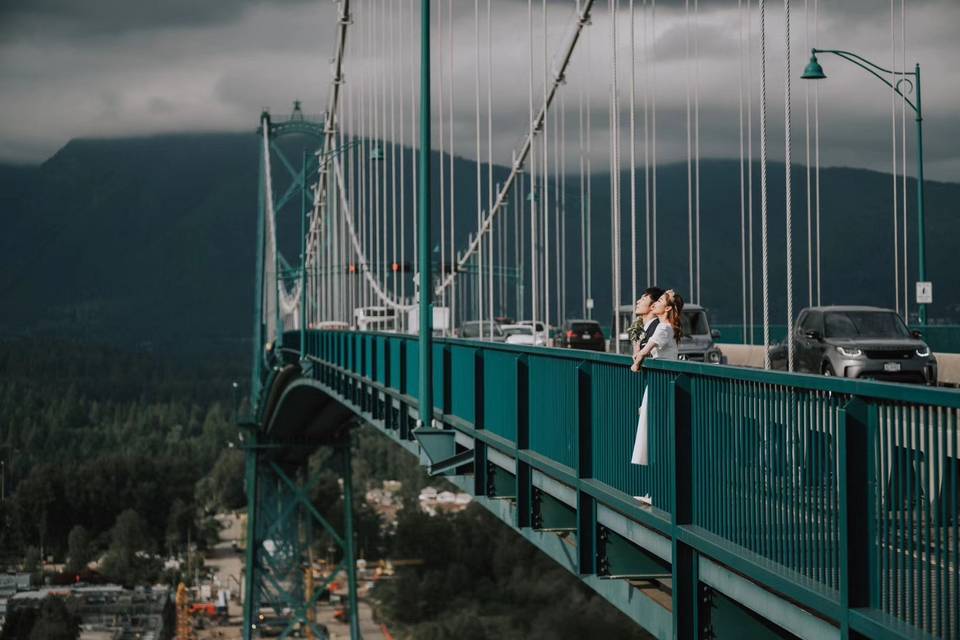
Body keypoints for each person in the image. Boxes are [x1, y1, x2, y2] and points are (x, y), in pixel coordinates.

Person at [629, 290, 685, 504]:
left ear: (668, 308)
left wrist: (636, 363)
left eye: (660, 301)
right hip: (659, 386)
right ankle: (654, 491)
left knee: (655, 438)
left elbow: (645, 351)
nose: (656, 304)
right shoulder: (666, 328)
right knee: (654, 437)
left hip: (660, 387)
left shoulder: (664, 327)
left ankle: (657, 493)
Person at [628, 286, 665, 372]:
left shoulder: (656, 328)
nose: (637, 302)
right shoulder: (643, 328)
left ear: (652, 306)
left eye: (643, 299)